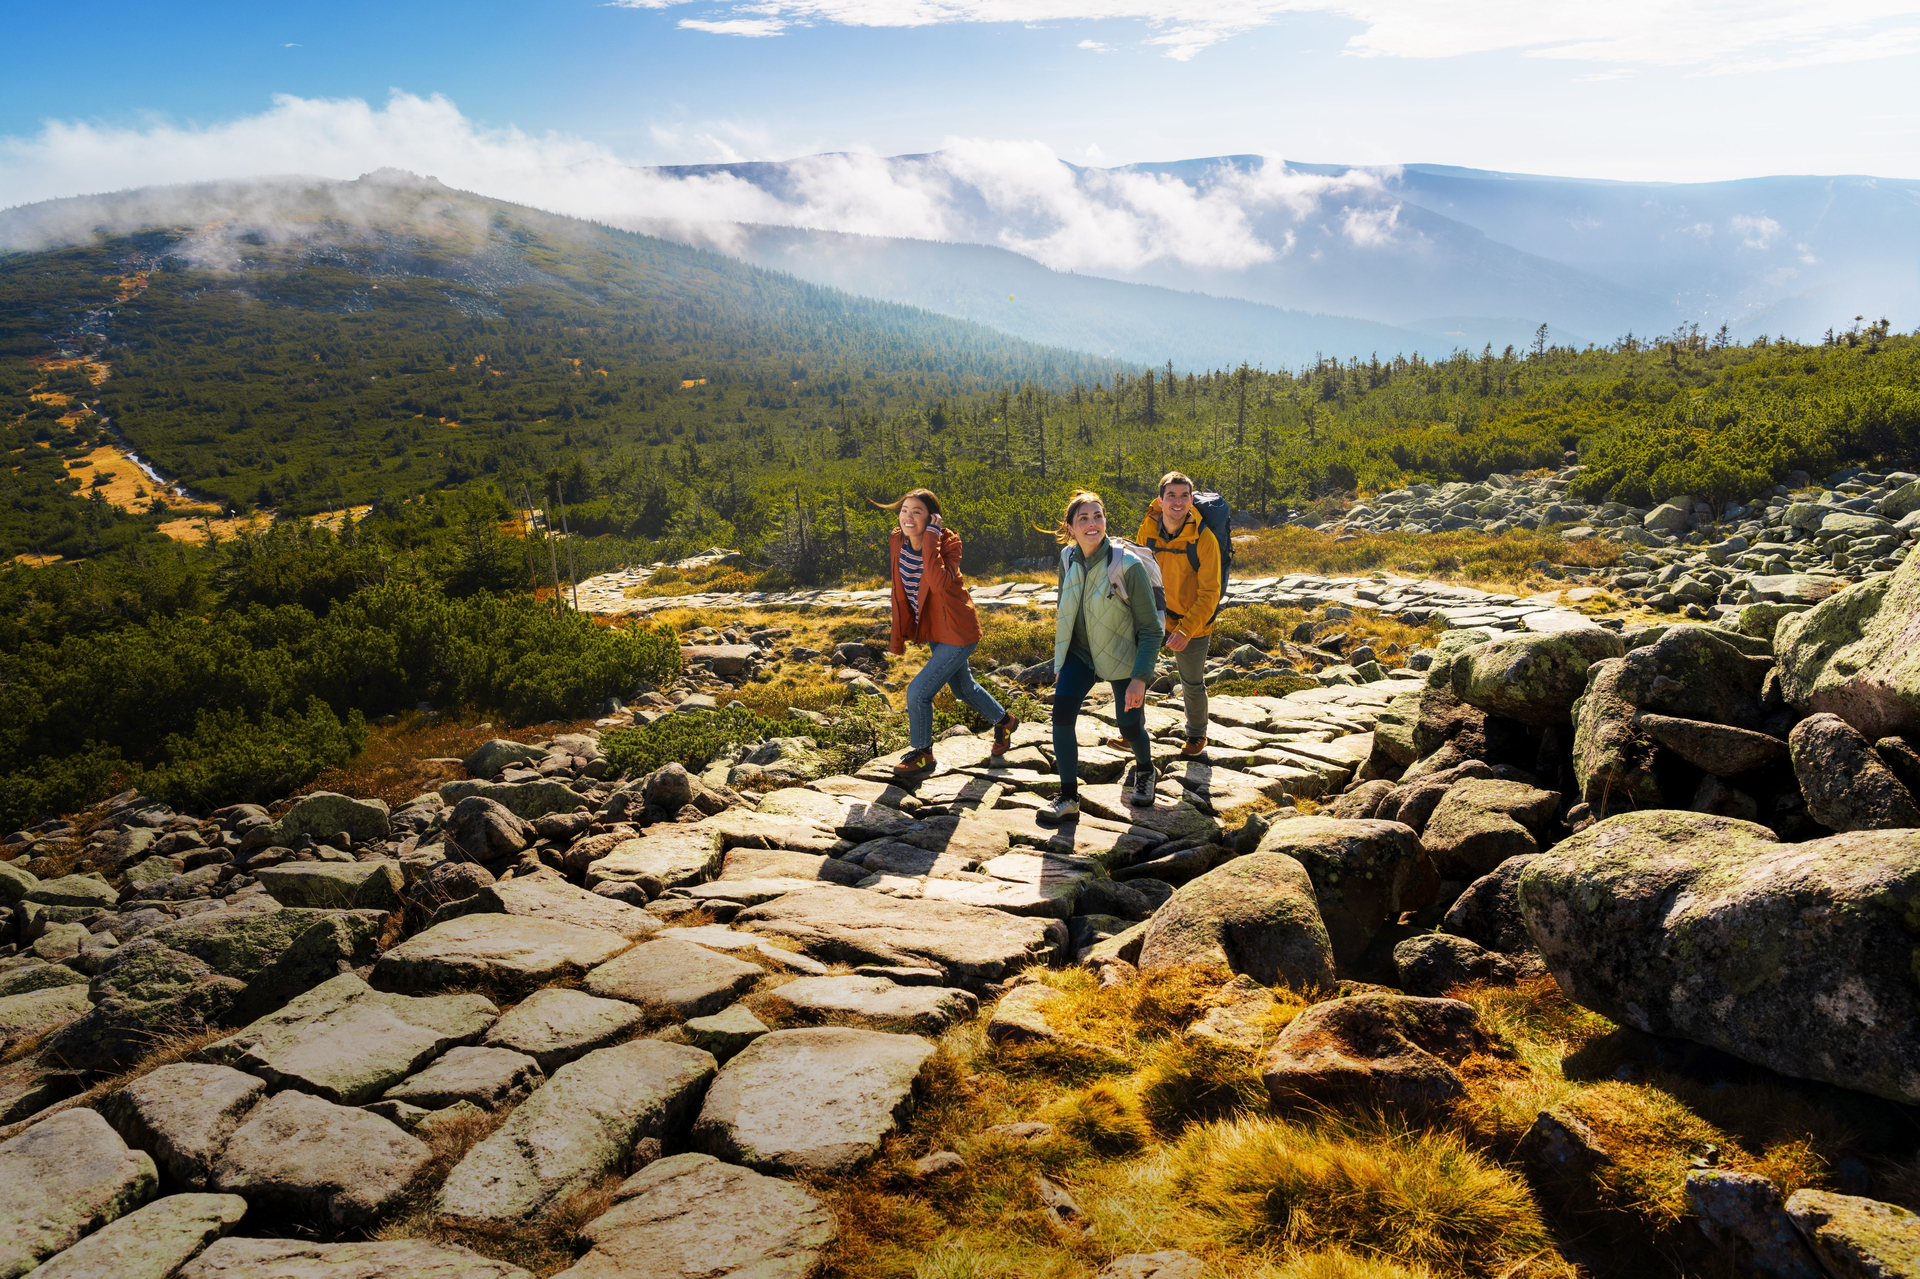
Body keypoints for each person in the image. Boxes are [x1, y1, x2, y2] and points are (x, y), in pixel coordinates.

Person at [1037, 489, 1163, 826]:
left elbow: (1151, 629)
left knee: (1129, 725)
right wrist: (1062, 660)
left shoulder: (1128, 566)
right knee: (1061, 717)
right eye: (1084, 518)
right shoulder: (1067, 559)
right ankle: (1068, 796)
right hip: (1080, 653)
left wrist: (1140, 677)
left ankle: (1146, 769)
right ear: (1071, 527)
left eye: (1098, 516)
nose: (1093, 524)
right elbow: (1066, 610)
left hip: (1123, 655)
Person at [881, 488, 1017, 778]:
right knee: (964, 689)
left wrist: (931, 537)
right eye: (905, 510)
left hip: (958, 631)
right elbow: (900, 588)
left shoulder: (948, 543)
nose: (908, 517)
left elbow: (939, 583)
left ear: (932, 517)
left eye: (917, 512)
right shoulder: (898, 541)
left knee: (918, 693)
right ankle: (1004, 722)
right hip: (934, 630)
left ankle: (923, 754)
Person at [1136, 470, 1222, 756]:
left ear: (1191, 500)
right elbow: (1138, 574)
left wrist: (1185, 629)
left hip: (1193, 620)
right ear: (1160, 500)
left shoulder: (1204, 538)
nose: (1178, 501)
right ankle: (1133, 731)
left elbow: (1211, 593)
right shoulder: (1147, 529)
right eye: (1171, 495)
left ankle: (1197, 736)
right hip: (1154, 616)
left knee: (1192, 682)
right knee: (1132, 674)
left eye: (1184, 496)